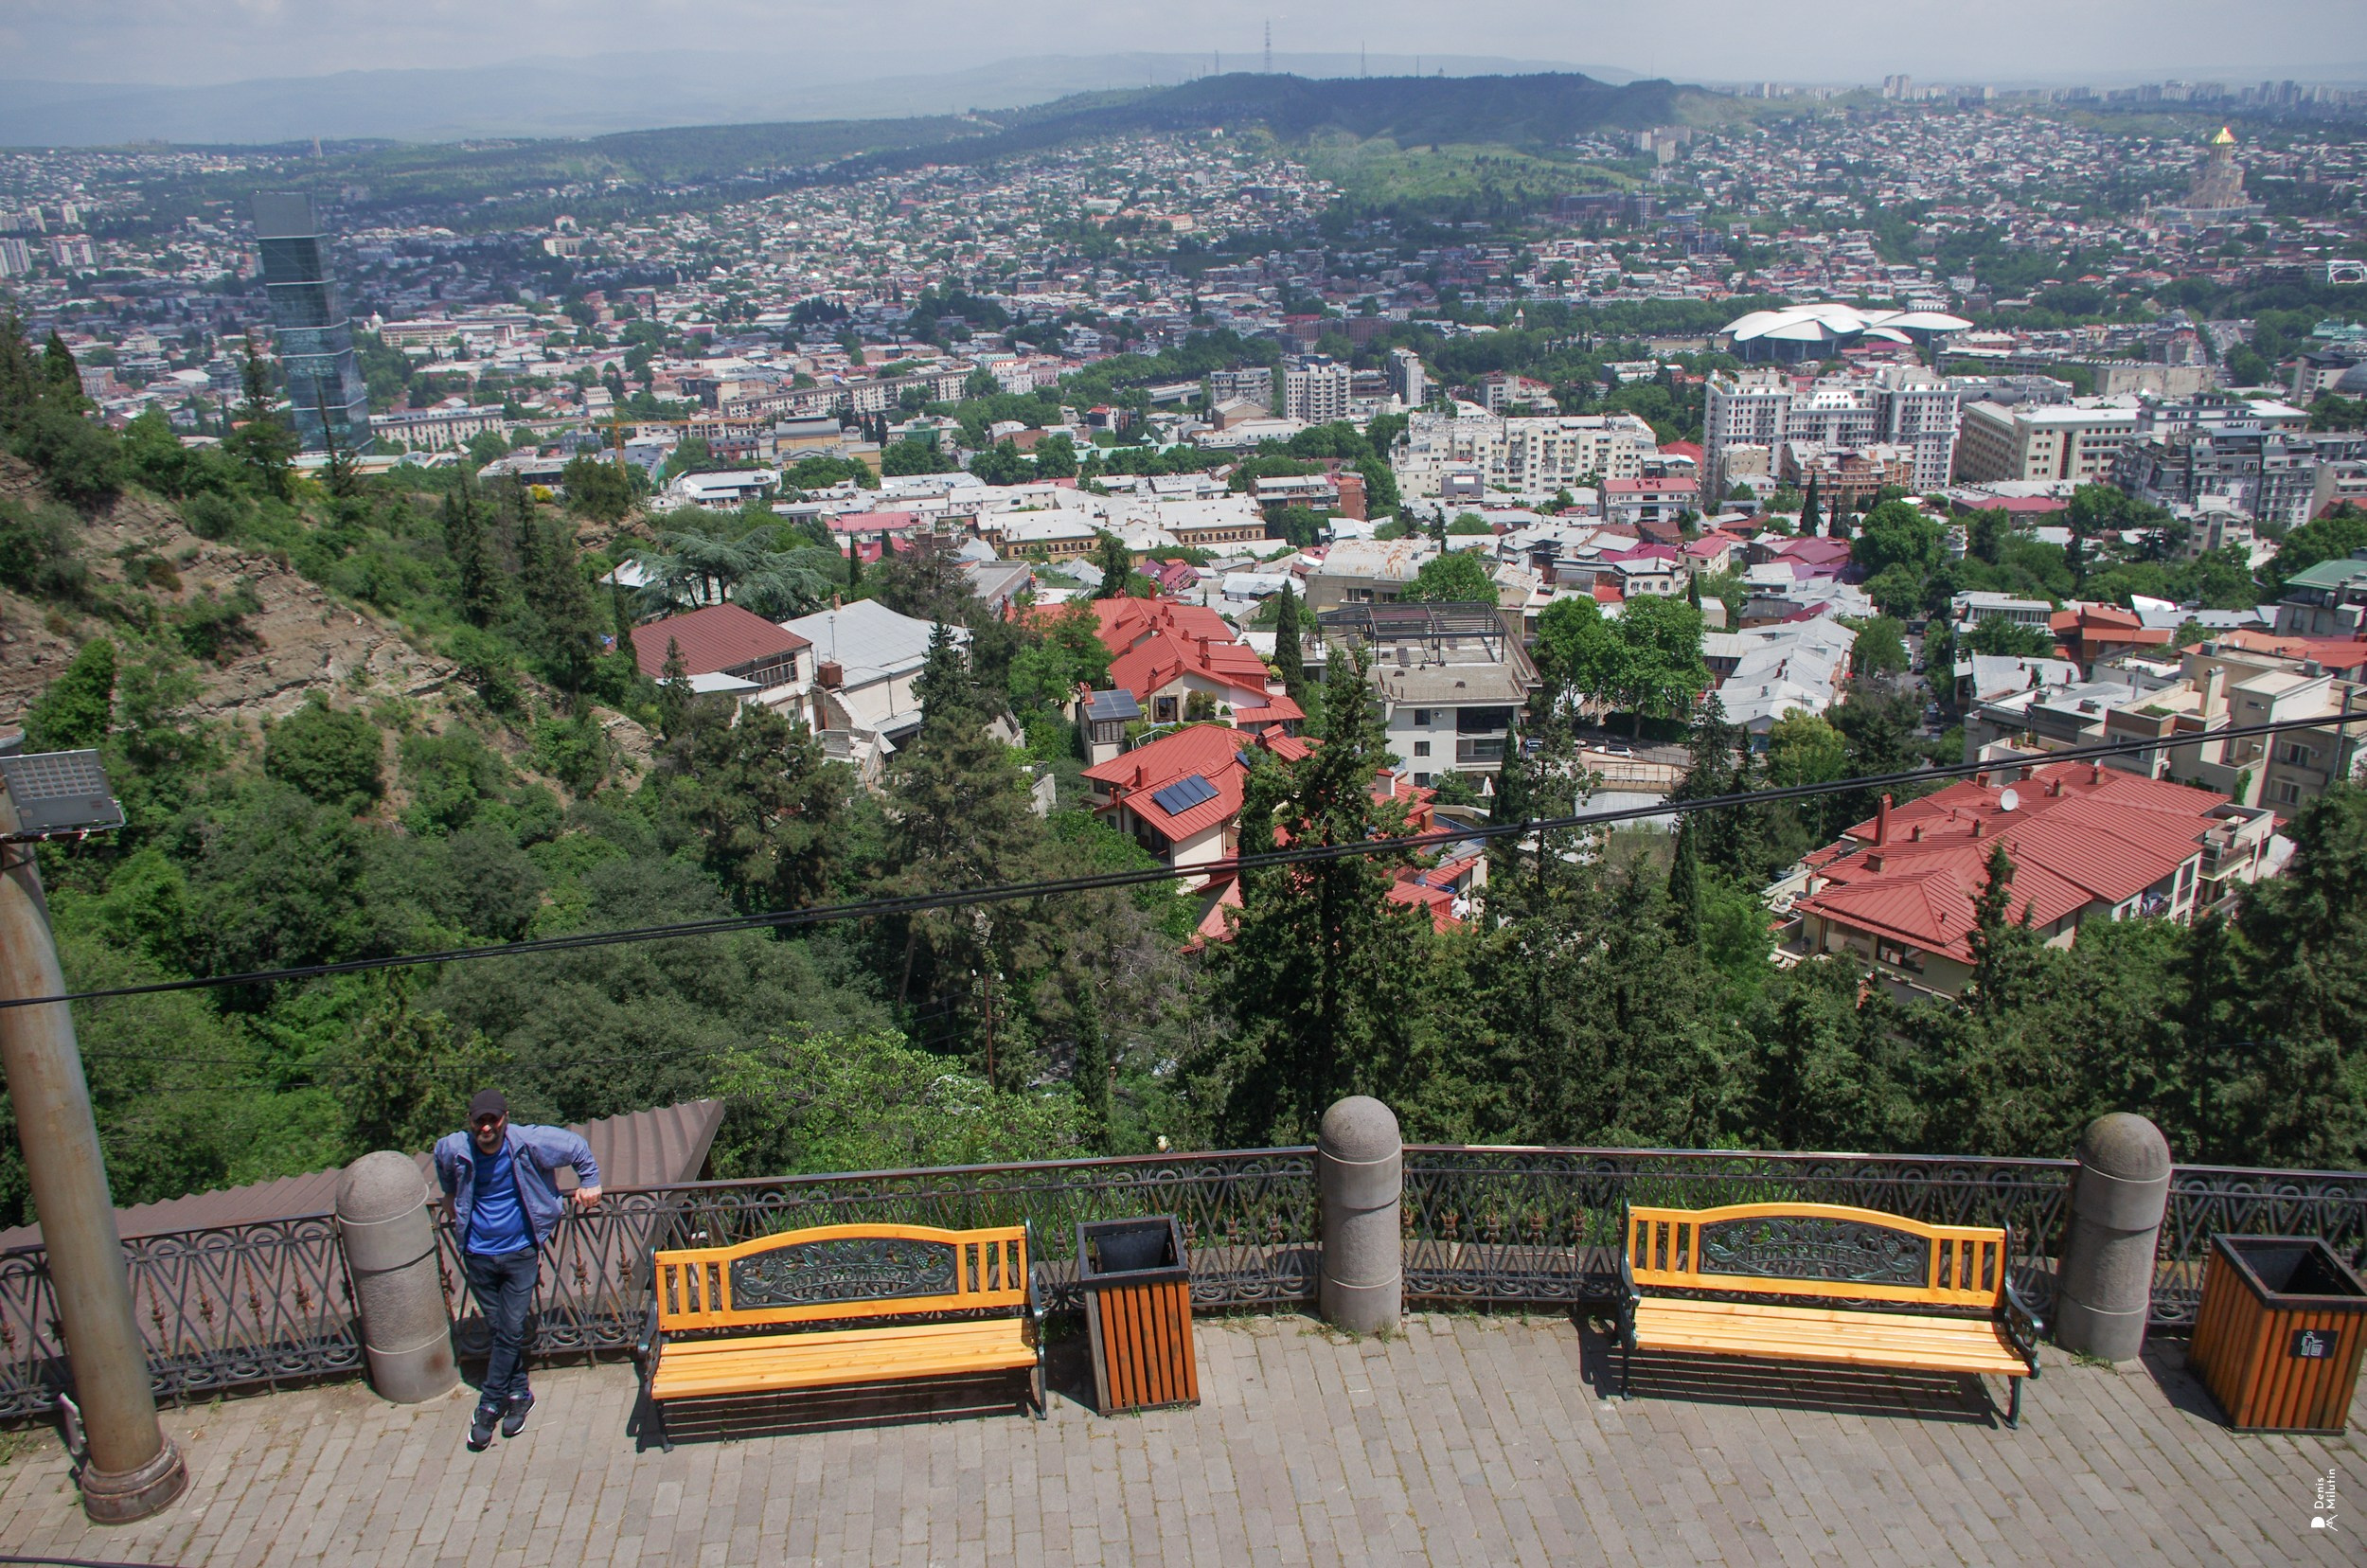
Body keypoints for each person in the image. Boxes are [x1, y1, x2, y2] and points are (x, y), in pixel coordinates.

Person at [433, 1090, 601, 1452]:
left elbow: (575, 1146)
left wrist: (590, 1182)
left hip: (521, 1251)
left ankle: (488, 1405)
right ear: (470, 1121)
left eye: (493, 1119)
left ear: (505, 1117)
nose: (487, 1126)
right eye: (480, 1120)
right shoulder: (456, 1147)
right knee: (500, 1329)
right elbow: (441, 1157)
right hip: (477, 1254)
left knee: (508, 1328)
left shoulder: (528, 1142)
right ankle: (520, 1395)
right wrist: (448, 1192)